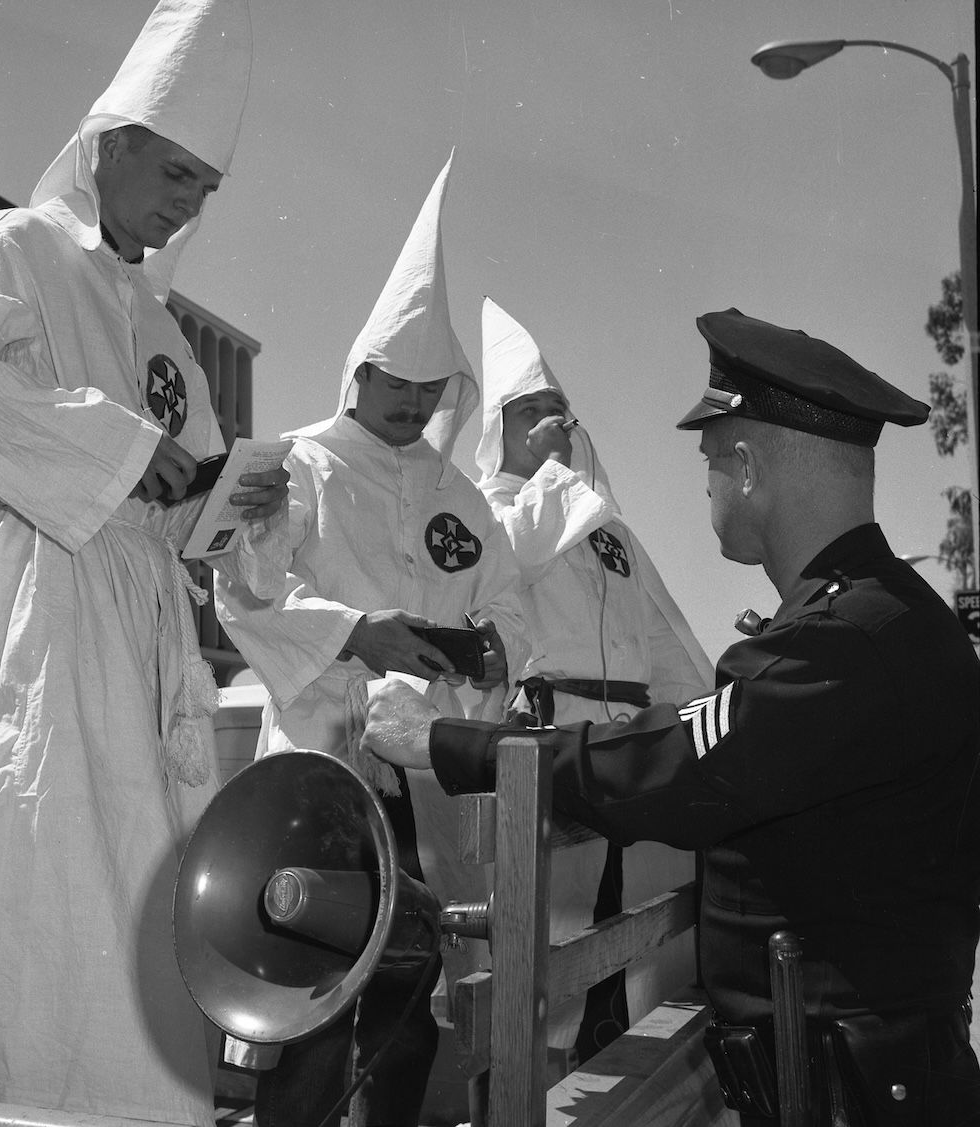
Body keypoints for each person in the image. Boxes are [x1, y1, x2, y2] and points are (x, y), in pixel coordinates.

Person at [363, 308, 980, 1126]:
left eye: (713, 463)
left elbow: (659, 764)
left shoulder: (837, 645)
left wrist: (443, 740)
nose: (707, 485)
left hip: (852, 1097)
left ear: (749, 466)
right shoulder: (886, 619)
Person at [0, 3, 288, 1124]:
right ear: (111, 143)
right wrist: (106, 441)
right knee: (37, 857)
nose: (189, 200)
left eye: (205, 187)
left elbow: (183, 505)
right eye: (177, 171)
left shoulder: (162, 328)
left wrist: (233, 500)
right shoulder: (19, 247)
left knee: (135, 882)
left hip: (143, 625)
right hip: (46, 604)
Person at [215, 153, 526, 1127]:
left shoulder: (465, 499)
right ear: (361, 364)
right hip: (317, 773)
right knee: (306, 978)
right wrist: (360, 632)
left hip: (421, 781)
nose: (413, 402)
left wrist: (481, 652)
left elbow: (512, 612)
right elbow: (245, 587)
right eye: (397, 380)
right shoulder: (295, 464)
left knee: (410, 991)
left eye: (434, 387)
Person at [475, 296, 714, 1060]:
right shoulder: (488, 510)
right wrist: (550, 475)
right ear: (500, 428)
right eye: (533, 411)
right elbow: (508, 564)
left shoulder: (607, 531)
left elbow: (662, 630)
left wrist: (708, 708)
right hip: (558, 737)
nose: (554, 423)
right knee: (555, 944)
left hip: (633, 742)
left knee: (636, 937)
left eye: (561, 411)